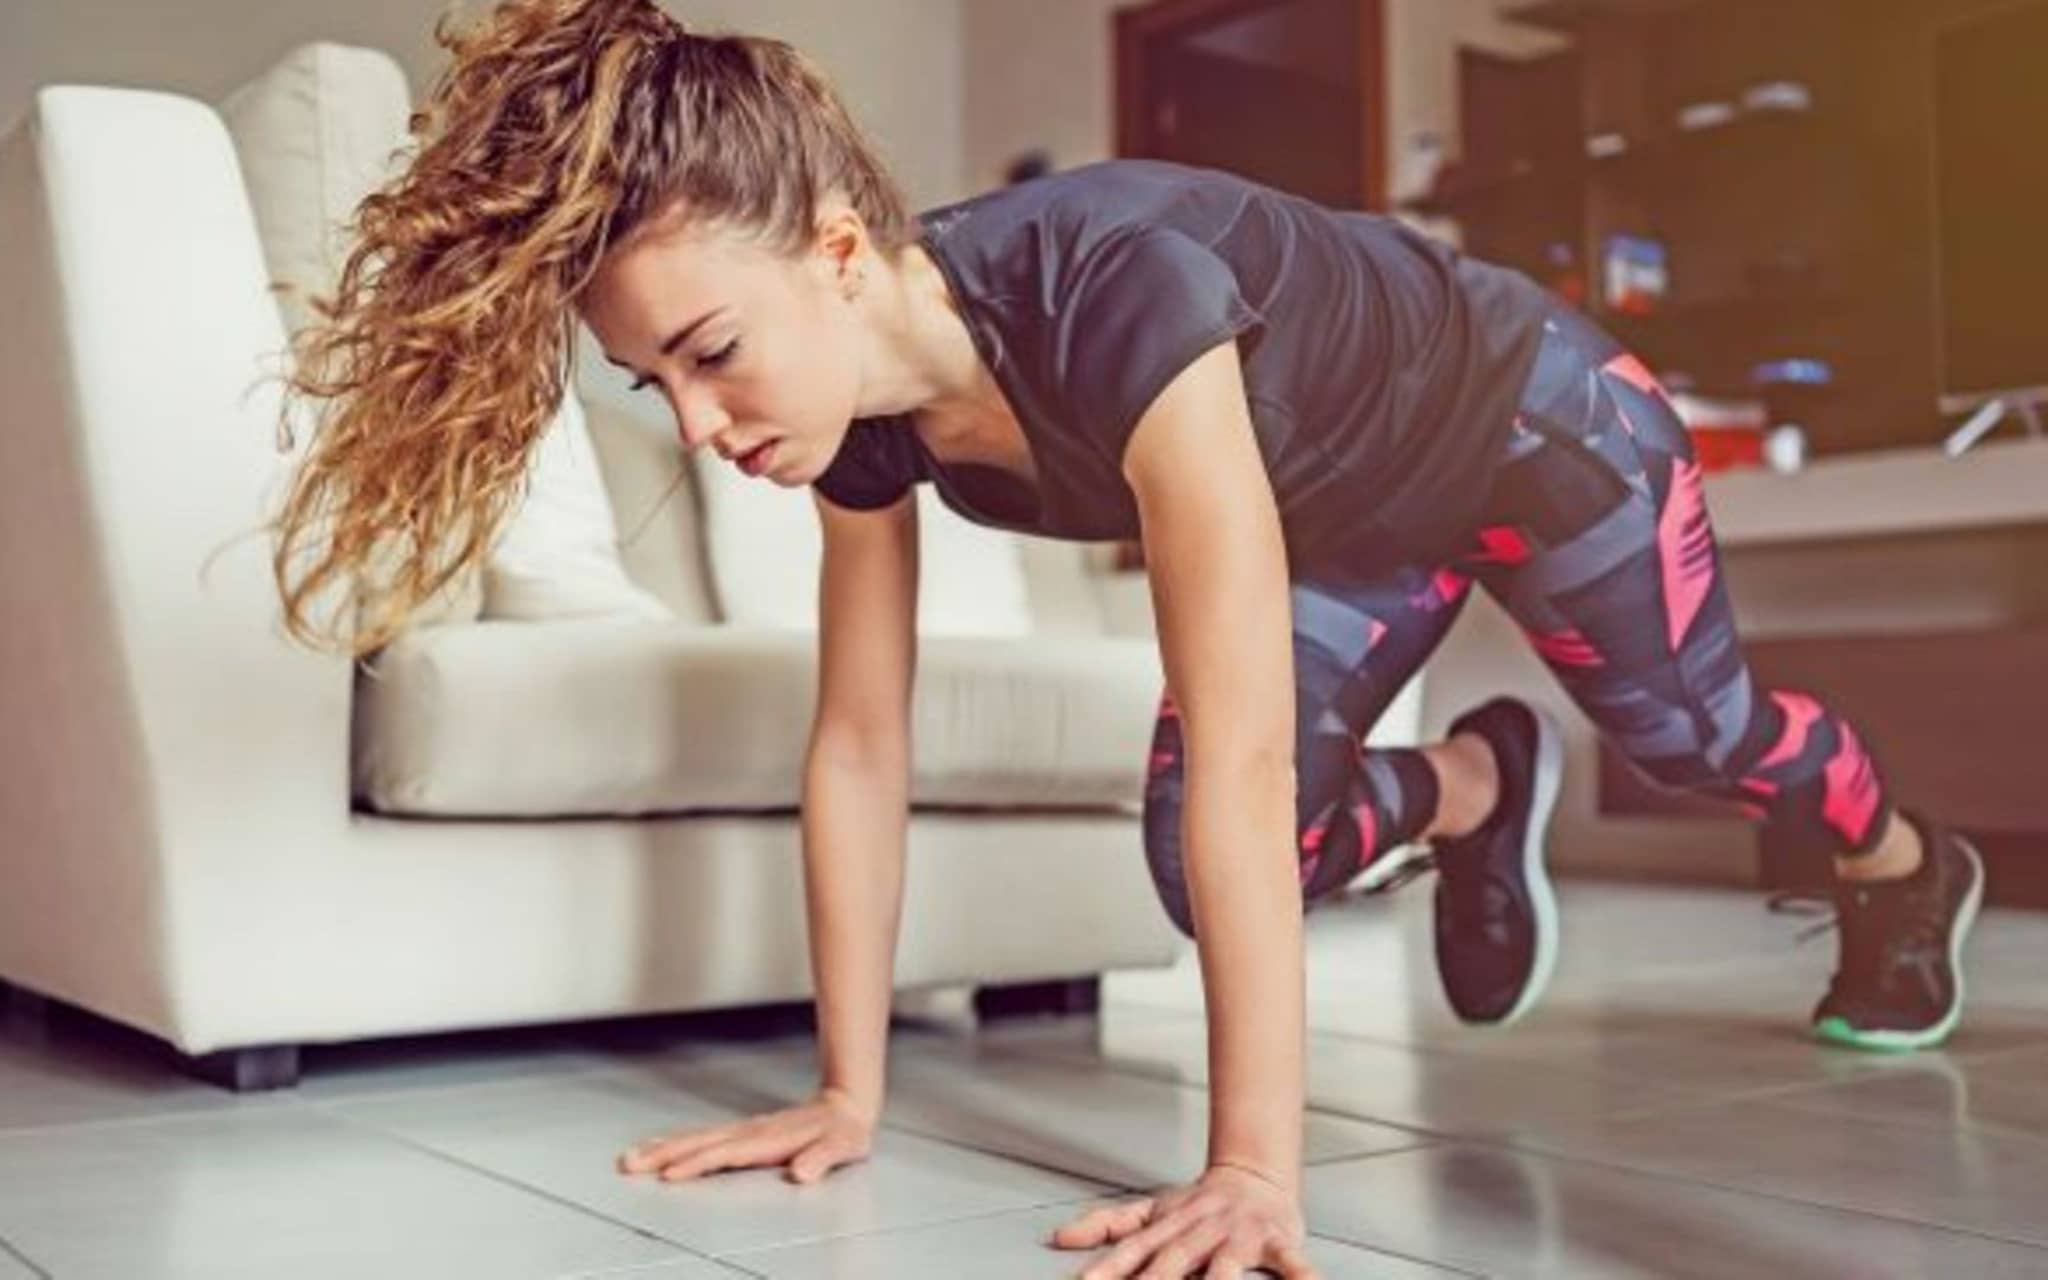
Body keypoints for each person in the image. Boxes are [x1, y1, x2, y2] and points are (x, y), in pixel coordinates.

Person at [265, 2, 1986, 1276]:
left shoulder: (1119, 293)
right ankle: (1479, 786)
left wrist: (1251, 1167)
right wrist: (846, 1095)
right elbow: (862, 742)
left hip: (1542, 430)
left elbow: (1240, 733)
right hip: (1360, 516)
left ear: (843, 252)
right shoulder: (862, 434)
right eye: (658, 384)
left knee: (1697, 740)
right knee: (1196, 847)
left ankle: (1904, 865)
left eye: (713, 352)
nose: (698, 422)